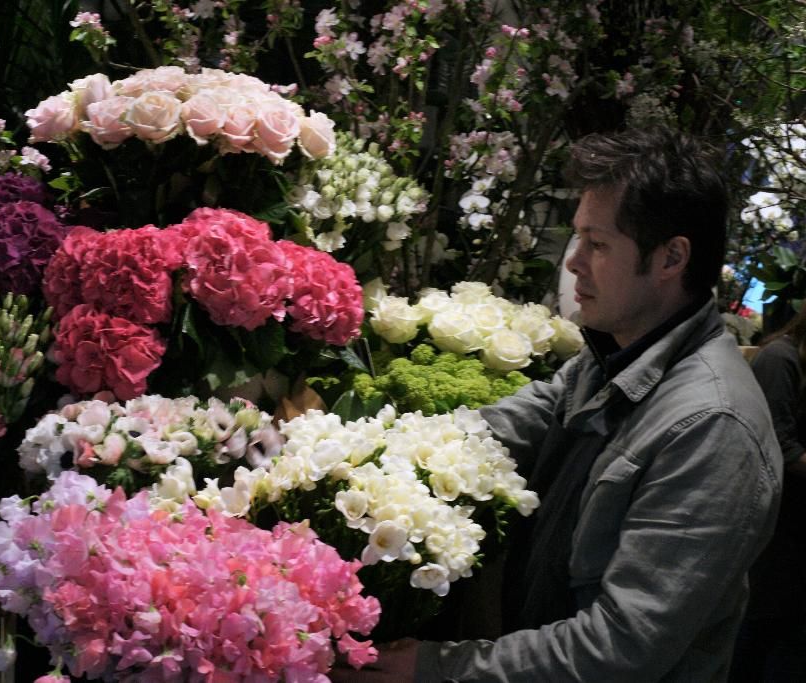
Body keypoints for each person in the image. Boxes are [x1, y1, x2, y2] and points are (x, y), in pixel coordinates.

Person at [335, 127, 783, 682]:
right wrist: (356, 458)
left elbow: (622, 645)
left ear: (671, 258)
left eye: (597, 244)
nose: (574, 264)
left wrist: (434, 668)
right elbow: (500, 426)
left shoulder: (712, 426)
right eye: (578, 240)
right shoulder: (611, 354)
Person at [729, 305, 806, 681]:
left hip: (794, 526)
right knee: (758, 629)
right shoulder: (782, 357)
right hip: (775, 523)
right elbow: (778, 443)